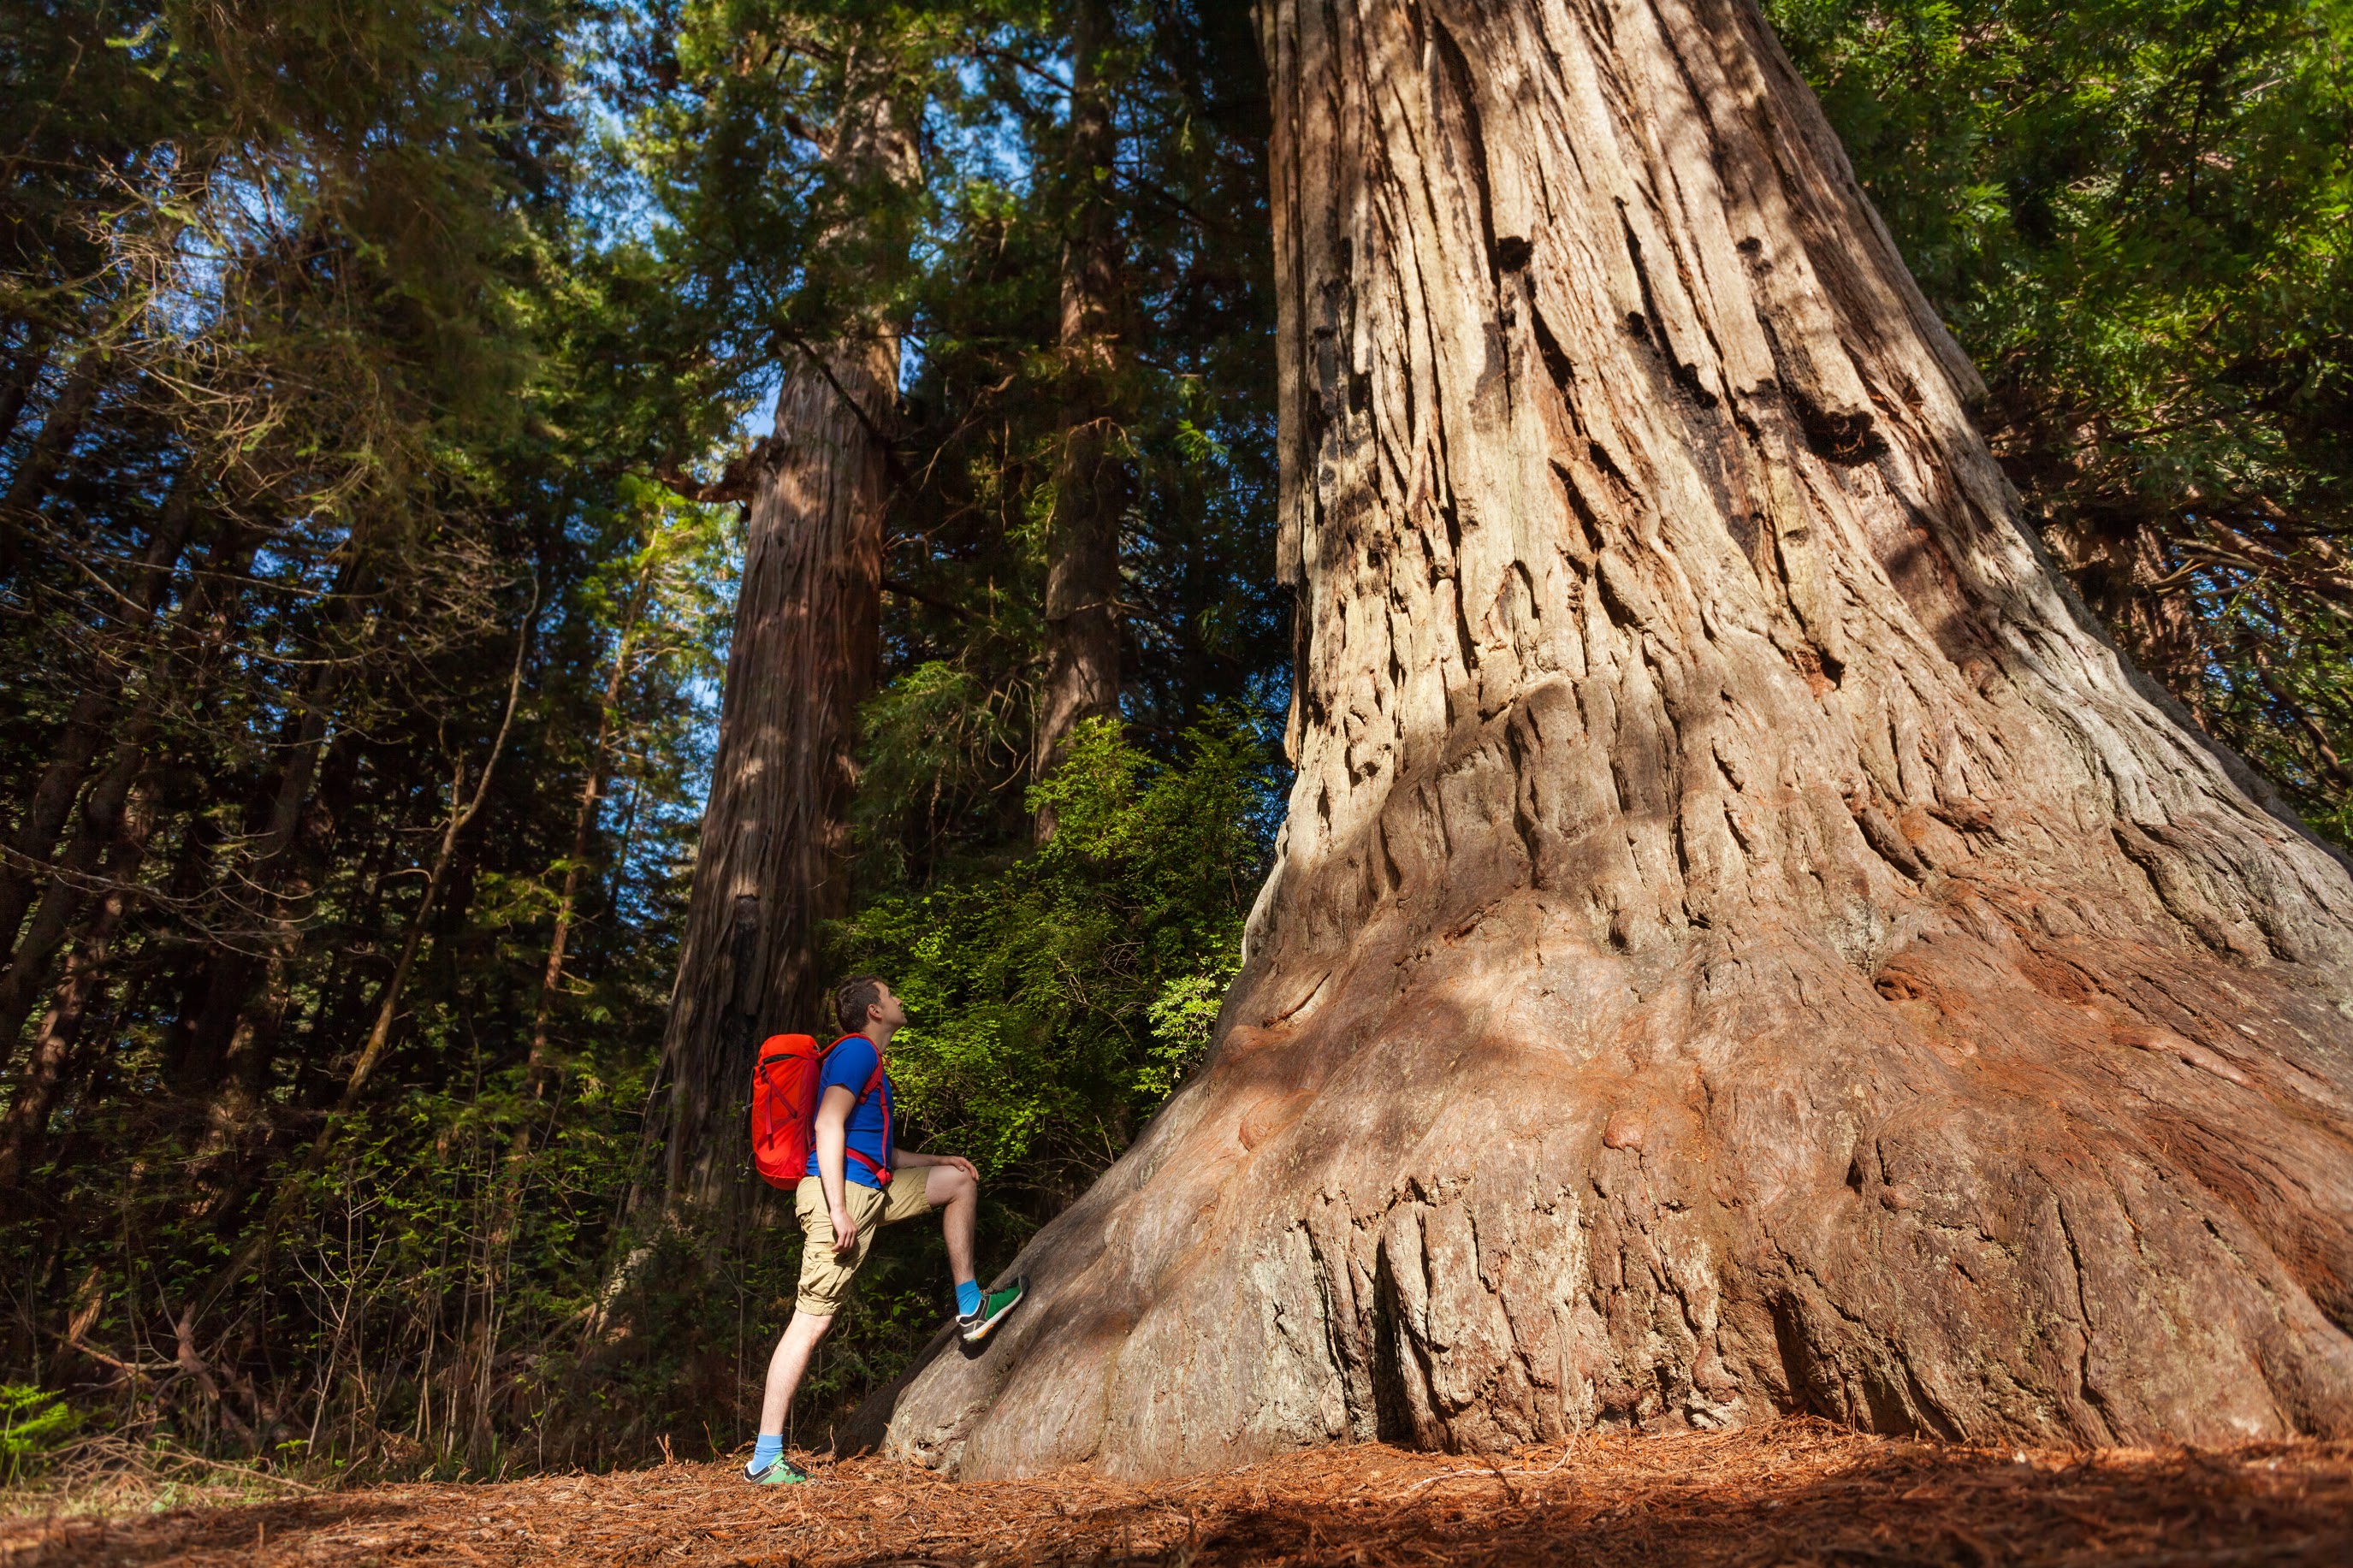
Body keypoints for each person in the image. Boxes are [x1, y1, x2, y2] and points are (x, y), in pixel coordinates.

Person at [744, 973, 1026, 1484]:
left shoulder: (870, 1064)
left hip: (869, 1185)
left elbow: (880, 1152)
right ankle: (765, 1458)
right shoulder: (856, 1054)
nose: (898, 999)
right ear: (874, 1011)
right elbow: (828, 1125)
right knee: (810, 1321)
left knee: (958, 1182)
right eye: (891, 995)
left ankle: (970, 1305)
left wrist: (940, 1157)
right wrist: (836, 1209)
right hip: (843, 1195)